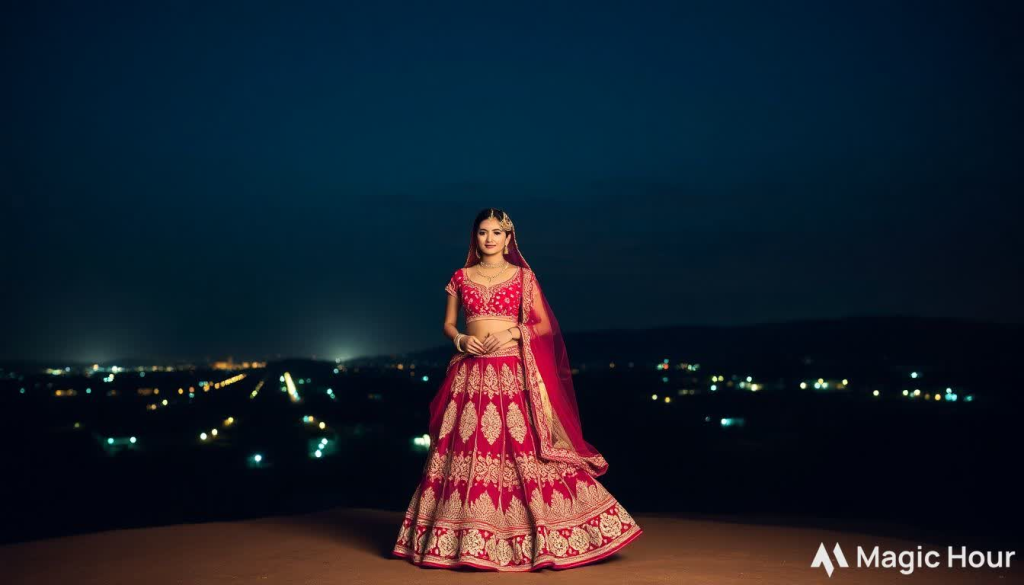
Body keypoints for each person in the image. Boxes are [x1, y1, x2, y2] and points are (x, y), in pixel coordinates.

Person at [391, 208, 642, 571]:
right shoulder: (460, 277)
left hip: (512, 373)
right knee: (463, 452)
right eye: (483, 232)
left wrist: (512, 332)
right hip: (470, 374)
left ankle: (553, 532)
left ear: (509, 238)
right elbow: (448, 324)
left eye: (497, 232)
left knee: (526, 454)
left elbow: (543, 326)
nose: (489, 238)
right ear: (474, 237)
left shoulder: (524, 277)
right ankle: (464, 538)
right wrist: (461, 340)